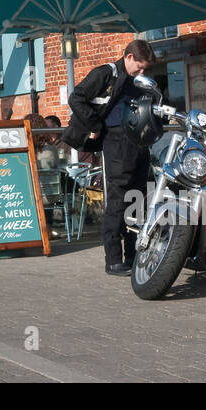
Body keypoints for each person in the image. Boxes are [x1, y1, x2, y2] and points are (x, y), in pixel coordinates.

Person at [63, 39, 156, 275]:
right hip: (115, 141)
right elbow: (76, 98)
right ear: (129, 58)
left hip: (137, 141)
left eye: (145, 69)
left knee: (138, 198)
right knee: (118, 198)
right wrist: (94, 125)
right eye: (140, 67)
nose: (142, 72)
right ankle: (113, 260)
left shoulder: (140, 81)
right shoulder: (106, 73)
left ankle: (134, 255)